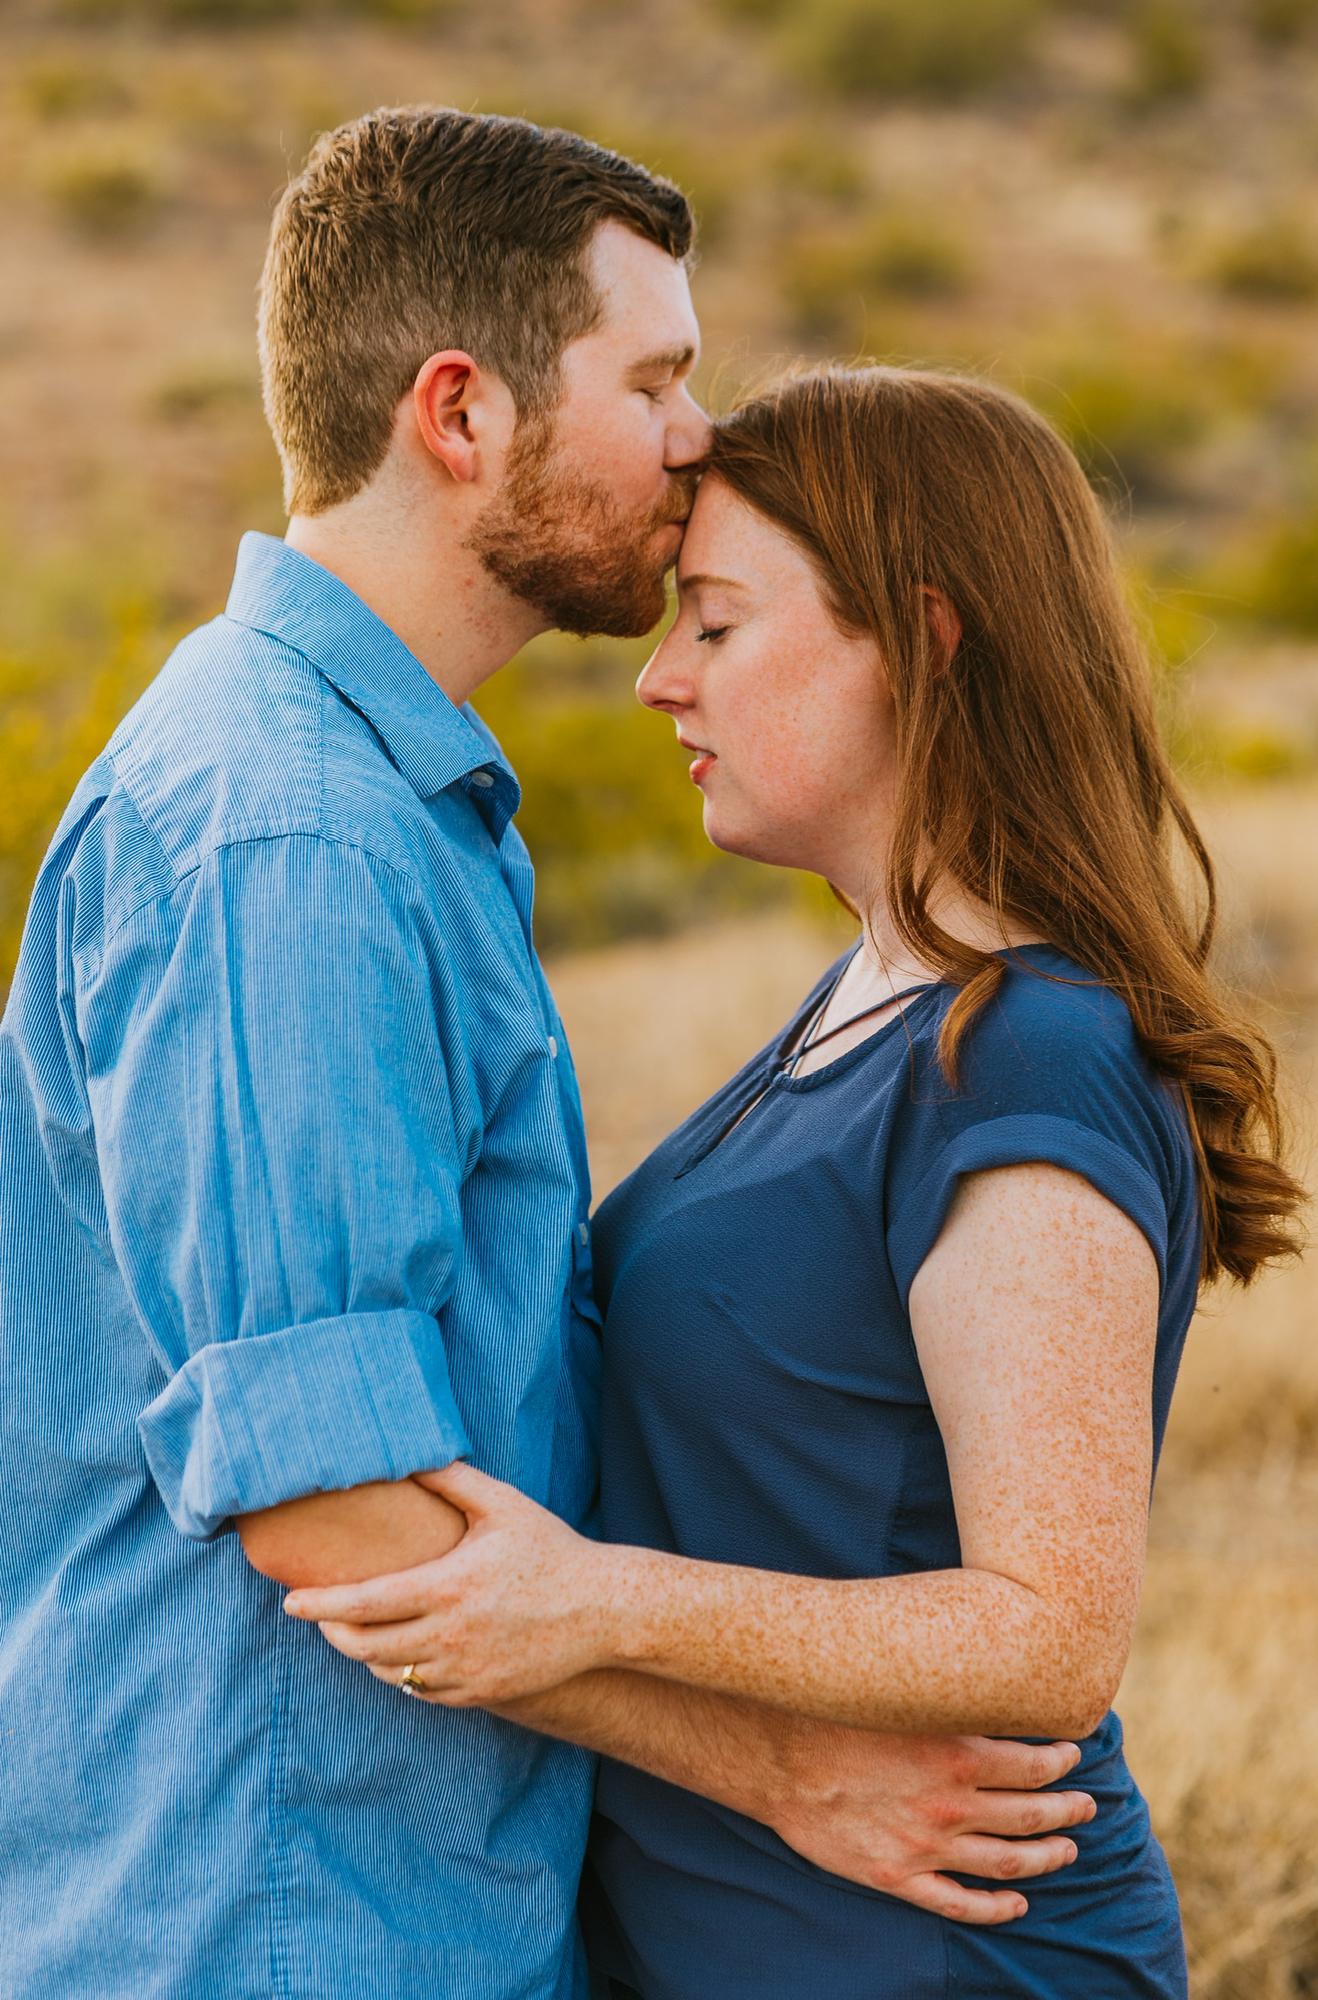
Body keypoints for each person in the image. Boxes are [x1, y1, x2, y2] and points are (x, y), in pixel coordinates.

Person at [0, 118, 1096, 2000]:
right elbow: (328, 1505)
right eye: (655, 377)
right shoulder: (291, 840)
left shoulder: (394, 802)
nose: (697, 433)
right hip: (280, 1916)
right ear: (459, 413)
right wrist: (782, 1774)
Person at [285, 364, 1306, 2000]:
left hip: (935, 1950)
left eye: (717, 622)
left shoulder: (1028, 1055)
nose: (659, 683)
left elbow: (1046, 1631)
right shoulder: (866, 1001)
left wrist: (592, 1602)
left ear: (923, 637)